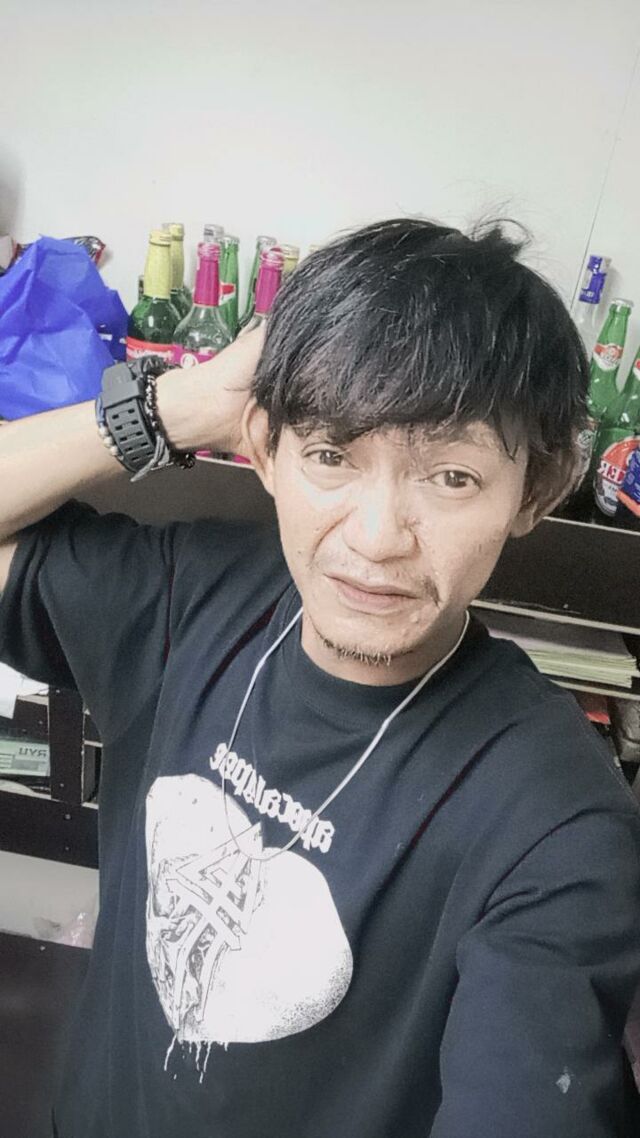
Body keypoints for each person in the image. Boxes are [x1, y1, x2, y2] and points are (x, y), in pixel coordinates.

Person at [1, 217, 639, 1138]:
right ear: (265, 449)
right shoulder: (191, 596)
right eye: (333, 455)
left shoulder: (555, 826)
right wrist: (178, 405)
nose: (376, 540)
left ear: (534, 492)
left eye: (452, 478)